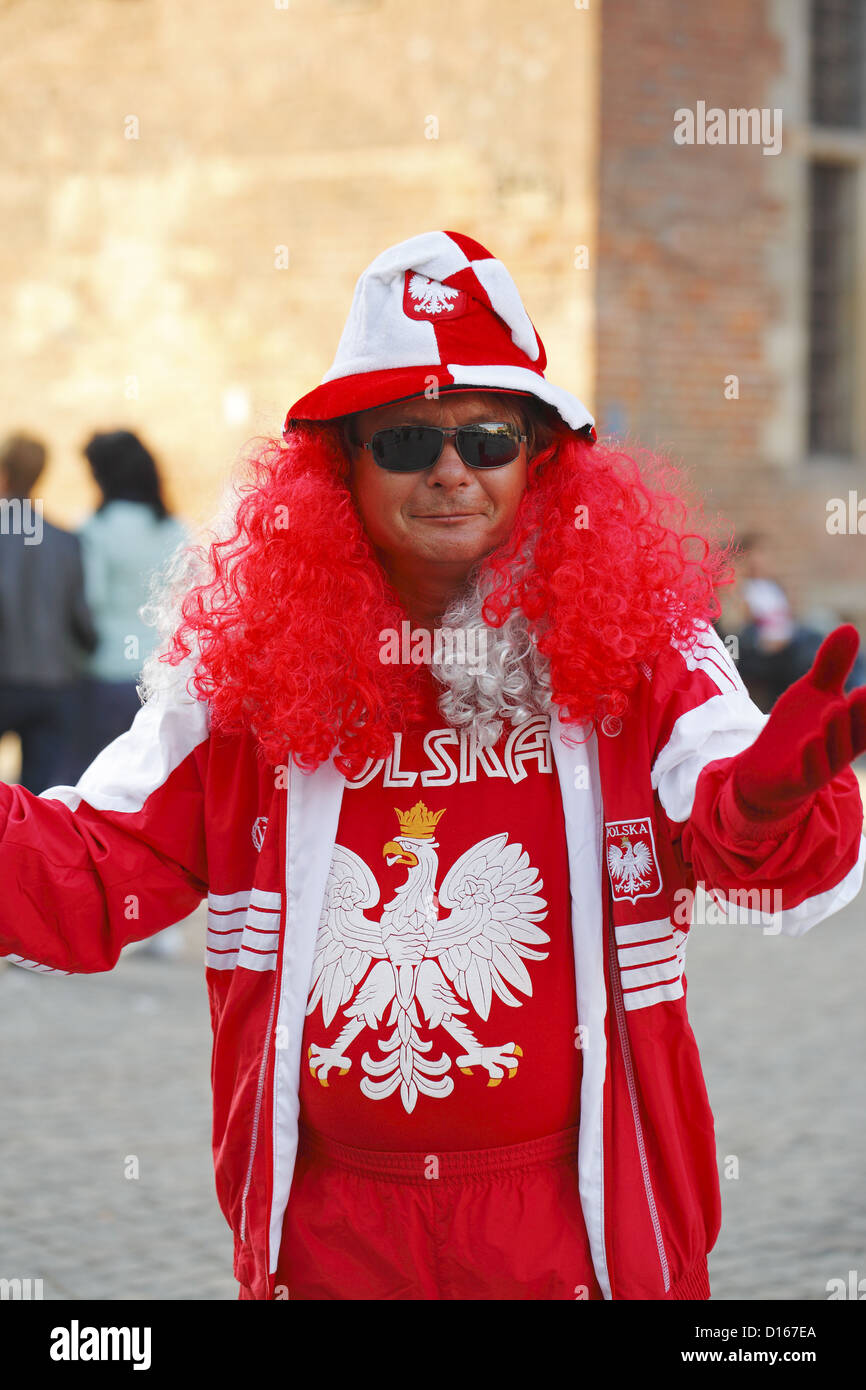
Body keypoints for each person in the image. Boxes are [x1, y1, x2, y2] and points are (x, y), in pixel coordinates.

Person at [0, 230, 864, 1302]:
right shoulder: (247, 681)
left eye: (488, 436)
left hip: (574, 1231)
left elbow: (765, 855)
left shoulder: (647, 657)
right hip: (330, 1239)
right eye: (406, 440)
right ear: (342, 470)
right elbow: (87, 871)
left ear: (539, 460)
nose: (451, 470)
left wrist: (775, 799)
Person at [74, 429, 189, 773]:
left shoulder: (94, 530)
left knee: (101, 783)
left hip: (107, 675)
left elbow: (89, 601)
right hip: (164, 676)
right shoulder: (177, 529)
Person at [0, 432, 97, 791]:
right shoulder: (66, 540)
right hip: (55, 686)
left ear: (4, 474)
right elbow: (82, 623)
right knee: (36, 798)